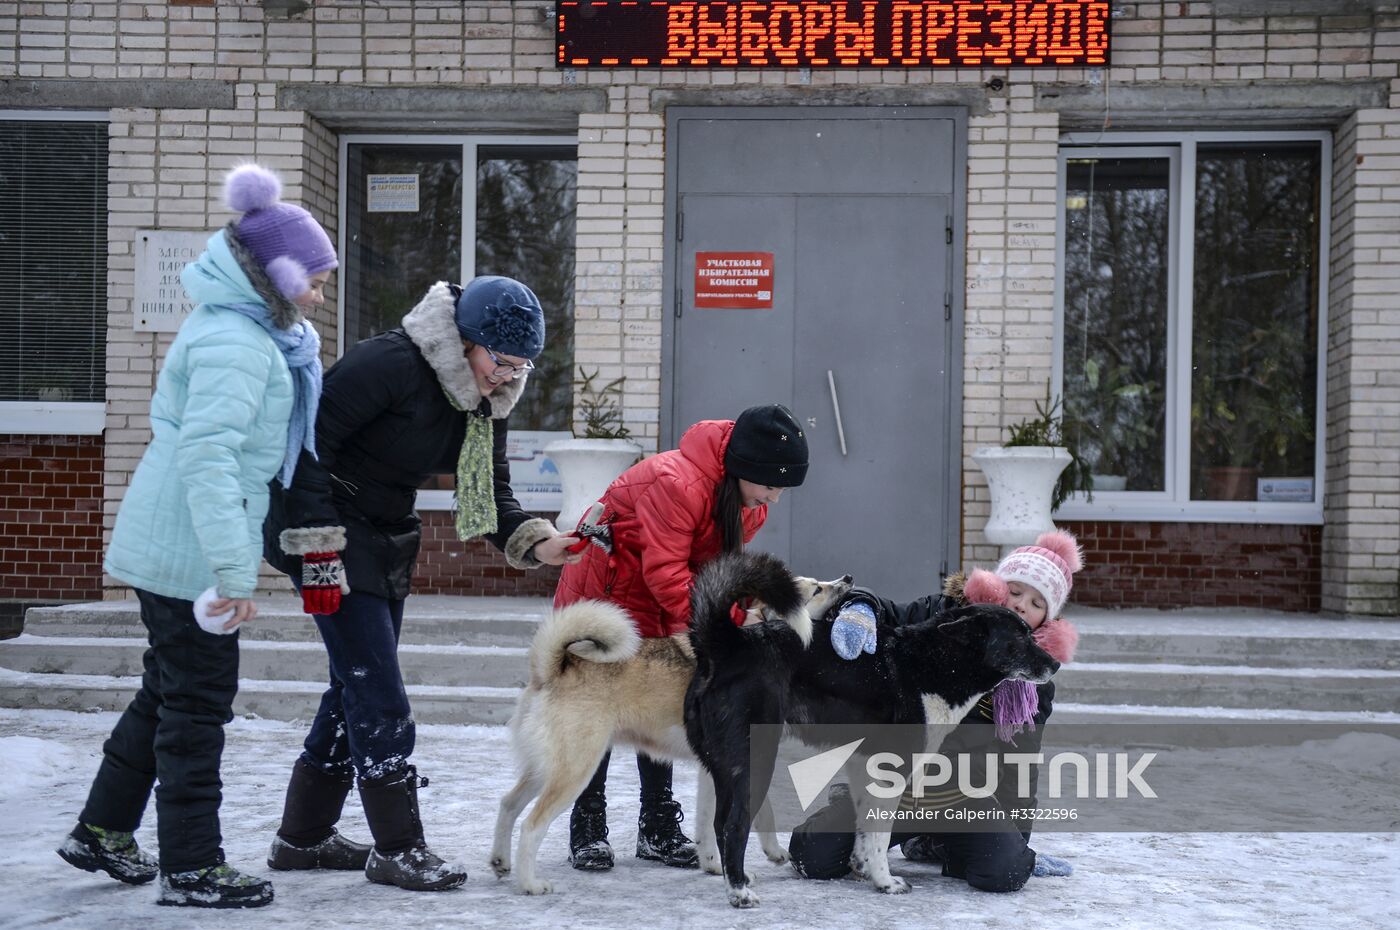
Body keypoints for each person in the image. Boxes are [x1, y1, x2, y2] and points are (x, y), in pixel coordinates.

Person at [57, 164, 338, 908]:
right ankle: (193, 865)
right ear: (274, 276)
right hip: (191, 552)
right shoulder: (237, 347)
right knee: (197, 707)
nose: (320, 292)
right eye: (312, 278)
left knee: (167, 691)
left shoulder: (246, 333)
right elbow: (209, 462)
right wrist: (233, 574)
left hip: (180, 541)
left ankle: (101, 829)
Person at [261, 274, 581, 892]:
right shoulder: (390, 363)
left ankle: (301, 838)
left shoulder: (487, 400)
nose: (508, 375)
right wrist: (316, 553)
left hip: (385, 536)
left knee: (351, 686)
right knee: (377, 694)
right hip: (325, 526)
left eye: (522, 365)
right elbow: (301, 451)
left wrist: (541, 543)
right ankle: (398, 847)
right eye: (500, 360)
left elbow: (486, 493)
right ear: (464, 340)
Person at [554, 404, 810, 872]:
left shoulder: (745, 502)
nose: (774, 499)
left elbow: (716, 573)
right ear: (745, 468)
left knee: (671, 702)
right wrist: (712, 633)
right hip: (607, 593)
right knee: (604, 708)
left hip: (661, 599)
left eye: (782, 490)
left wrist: (735, 613)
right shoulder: (677, 482)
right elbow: (666, 570)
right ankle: (588, 828)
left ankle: (658, 828)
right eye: (771, 485)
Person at [789, 530, 1083, 893]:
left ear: (1047, 619)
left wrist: (1018, 842)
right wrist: (860, 608)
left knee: (1006, 871)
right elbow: (887, 609)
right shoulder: (943, 616)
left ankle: (942, 842)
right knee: (812, 856)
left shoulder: (1030, 678)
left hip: (964, 798)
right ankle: (885, 824)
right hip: (893, 786)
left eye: (1037, 603)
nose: (1022, 605)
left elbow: (1020, 764)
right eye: (1016, 591)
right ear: (995, 585)